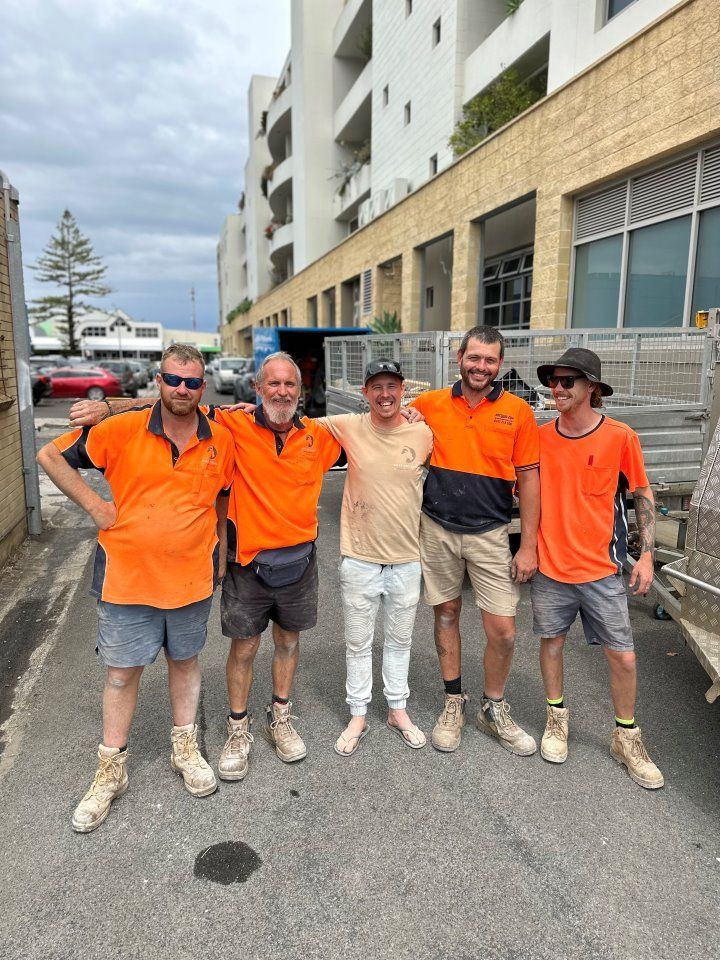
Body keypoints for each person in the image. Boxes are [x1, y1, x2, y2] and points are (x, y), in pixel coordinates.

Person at [69, 351, 341, 780]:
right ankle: (237, 728)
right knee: (245, 647)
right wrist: (108, 405)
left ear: (300, 392)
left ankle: (280, 717)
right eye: (273, 384)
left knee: (288, 642)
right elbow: (173, 400)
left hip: (300, 563)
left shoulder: (320, 437)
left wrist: (409, 415)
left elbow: (372, 436)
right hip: (247, 564)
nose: (282, 392)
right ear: (256, 388)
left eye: (290, 384)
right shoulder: (229, 424)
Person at [38, 345, 235, 832]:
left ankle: (185, 750)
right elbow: (50, 455)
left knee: (185, 664)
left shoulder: (221, 438)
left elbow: (222, 499)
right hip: (127, 581)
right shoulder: (121, 430)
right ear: (159, 380)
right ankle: (111, 772)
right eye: (173, 380)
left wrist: (223, 549)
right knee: (122, 675)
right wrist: (96, 508)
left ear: (202, 387)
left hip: (191, 580)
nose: (182, 390)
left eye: (192, 382)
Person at [532, 348, 663, 789]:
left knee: (623, 655)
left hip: (602, 570)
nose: (558, 387)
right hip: (551, 567)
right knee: (551, 644)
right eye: (554, 380)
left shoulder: (620, 437)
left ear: (592, 388)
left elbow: (641, 494)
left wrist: (647, 555)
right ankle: (556, 719)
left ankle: (626, 737)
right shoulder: (540, 437)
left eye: (569, 381)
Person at [409, 326, 540, 756]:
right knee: (446, 611)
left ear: (499, 364)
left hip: (491, 533)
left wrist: (528, 545)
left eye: (490, 360)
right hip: (438, 528)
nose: (481, 367)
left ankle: (493, 707)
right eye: (474, 357)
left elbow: (529, 479)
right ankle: (453, 702)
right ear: (460, 357)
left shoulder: (519, 412)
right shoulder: (429, 404)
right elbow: (385, 417)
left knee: (502, 630)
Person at [316, 360, 433, 756]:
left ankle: (397, 709)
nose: (386, 394)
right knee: (358, 642)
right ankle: (359, 713)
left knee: (400, 641)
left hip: (406, 558)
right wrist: (247, 409)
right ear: (365, 393)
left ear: (403, 390)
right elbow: (292, 424)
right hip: (360, 558)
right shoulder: (348, 425)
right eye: (377, 387)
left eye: (393, 386)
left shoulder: (423, 432)